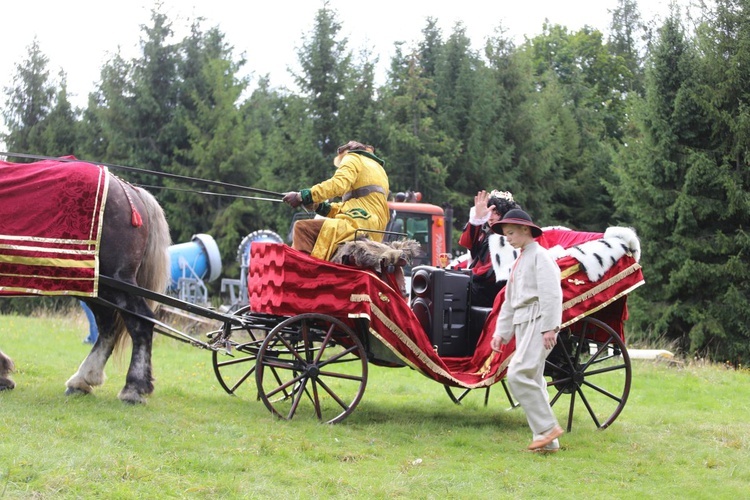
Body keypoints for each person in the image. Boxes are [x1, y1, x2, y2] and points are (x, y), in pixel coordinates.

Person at [489, 208, 564, 453]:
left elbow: (552, 294)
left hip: (538, 320)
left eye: (511, 233)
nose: (507, 238)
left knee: (518, 374)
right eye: (505, 234)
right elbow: (510, 301)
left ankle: (548, 428)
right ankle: (548, 443)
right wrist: (501, 333)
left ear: (525, 230)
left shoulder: (540, 256)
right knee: (533, 378)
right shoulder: (520, 259)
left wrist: (550, 327)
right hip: (524, 322)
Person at [282, 141, 390, 261]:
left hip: (356, 225)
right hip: (374, 231)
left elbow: (338, 184)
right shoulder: (378, 168)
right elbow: (353, 208)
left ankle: (304, 272)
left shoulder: (352, 158)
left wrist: (303, 196)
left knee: (302, 228)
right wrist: (319, 207)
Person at [457, 190, 521, 307]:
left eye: (495, 212)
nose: (490, 217)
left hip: (494, 289)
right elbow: (467, 243)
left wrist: (468, 276)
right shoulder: (486, 233)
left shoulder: (508, 237)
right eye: (488, 212)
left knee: (456, 288)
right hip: (480, 285)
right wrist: (477, 218)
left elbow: (493, 273)